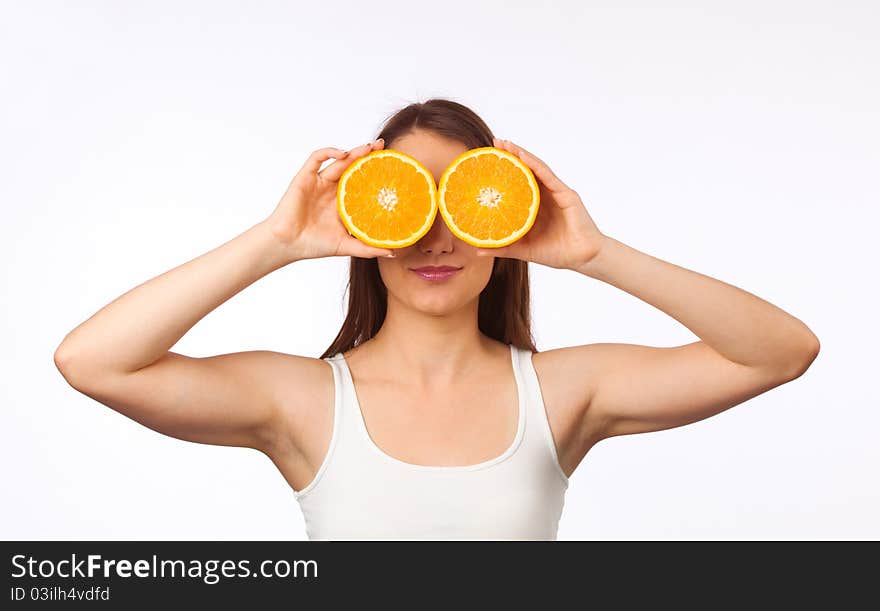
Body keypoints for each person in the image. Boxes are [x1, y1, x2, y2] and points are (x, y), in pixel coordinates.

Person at [54, 98, 820, 540]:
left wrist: (595, 254)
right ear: (369, 221)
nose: (435, 234)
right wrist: (276, 242)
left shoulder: (559, 392)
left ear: (504, 220)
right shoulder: (304, 403)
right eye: (407, 199)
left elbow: (780, 352)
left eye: (465, 199)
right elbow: (93, 361)